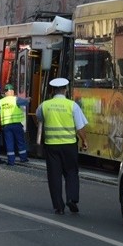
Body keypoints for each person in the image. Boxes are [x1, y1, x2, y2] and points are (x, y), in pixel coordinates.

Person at [36, 77, 88, 214]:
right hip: (69, 145)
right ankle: (72, 198)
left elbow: (39, 118)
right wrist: (84, 141)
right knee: (71, 172)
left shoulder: (44, 105)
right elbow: (80, 127)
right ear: (65, 90)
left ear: (53, 91)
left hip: (52, 146)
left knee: (54, 175)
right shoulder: (73, 106)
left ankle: (58, 206)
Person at [0, 83, 30, 165]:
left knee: (9, 143)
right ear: (12, 91)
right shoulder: (15, 99)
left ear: (5, 92)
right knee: (20, 142)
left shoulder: (1, 101)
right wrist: (29, 99)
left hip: (6, 126)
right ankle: (23, 158)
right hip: (16, 125)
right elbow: (26, 102)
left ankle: (11, 161)